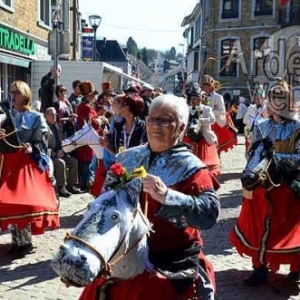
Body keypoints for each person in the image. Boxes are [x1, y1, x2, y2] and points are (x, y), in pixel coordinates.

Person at [80, 94, 220, 300]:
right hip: (123, 256)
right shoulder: (126, 157)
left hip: (170, 258)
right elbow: (106, 203)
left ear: (181, 128)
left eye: (165, 120)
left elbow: (209, 214)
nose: (156, 125)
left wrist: (167, 196)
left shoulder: (192, 167)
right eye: (152, 119)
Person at [230, 78, 300, 286]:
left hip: (289, 186)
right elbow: (254, 153)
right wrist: (249, 173)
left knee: (290, 228)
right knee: (258, 225)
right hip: (262, 185)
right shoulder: (261, 126)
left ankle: (296, 268)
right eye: (273, 97)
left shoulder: (297, 126)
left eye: (281, 97)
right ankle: (259, 268)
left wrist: (277, 158)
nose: (277, 101)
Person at [0, 80, 59, 256]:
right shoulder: (4, 116)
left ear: (25, 94)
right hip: (7, 163)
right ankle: (16, 239)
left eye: (16, 92)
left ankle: (24, 241)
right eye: (11, 92)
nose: (13, 95)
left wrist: (32, 146)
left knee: (24, 203)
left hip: (27, 163)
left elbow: (43, 140)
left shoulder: (36, 117)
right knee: (7, 202)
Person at [91, 94, 147, 197]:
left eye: (124, 105)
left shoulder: (144, 127)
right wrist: (106, 145)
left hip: (138, 170)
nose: (121, 107)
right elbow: (116, 151)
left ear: (132, 108)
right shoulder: (118, 127)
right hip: (120, 167)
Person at [183, 88, 220, 177]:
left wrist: (198, 121)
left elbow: (212, 119)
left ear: (202, 99)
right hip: (191, 134)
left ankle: (204, 170)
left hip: (204, 135)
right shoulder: (187, 109)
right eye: (194, 98)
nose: (196, 100)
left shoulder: (207, 109)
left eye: (198, 98)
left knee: (204, 146)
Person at [45, 107, 81, 197]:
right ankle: (61, 187)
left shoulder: (57, 127)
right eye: (52, 115)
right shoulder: (44, 128)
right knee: (61, 163)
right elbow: (44, 145)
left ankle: (71, 185)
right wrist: (54, 154)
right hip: (50, 155)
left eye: (55, 115)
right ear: (46, 116)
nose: (54, 117)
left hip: (61, 152)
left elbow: (62, 141)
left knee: (74, 161)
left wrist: (64, 149)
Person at [202, 75, 237, 154]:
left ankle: (216, 158)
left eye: (207, 86)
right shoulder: (202, 96)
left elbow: (222, 111)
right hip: (205, 123)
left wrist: (210, 112)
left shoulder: (218, 97)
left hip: (216, 123)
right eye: (204, 86)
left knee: (216, 145)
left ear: (211, 87)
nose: (205, 88)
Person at [76, 81, 101, 191]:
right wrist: (101, 120)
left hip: (86, 136)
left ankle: (84, 182)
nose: (94, 96)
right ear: (89, 95)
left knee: (87, 161)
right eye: (93, 94)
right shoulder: (86, 107)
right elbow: (91, 123)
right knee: (87, 161)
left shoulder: (83, 106)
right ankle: (84, 184)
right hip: (88, 137)